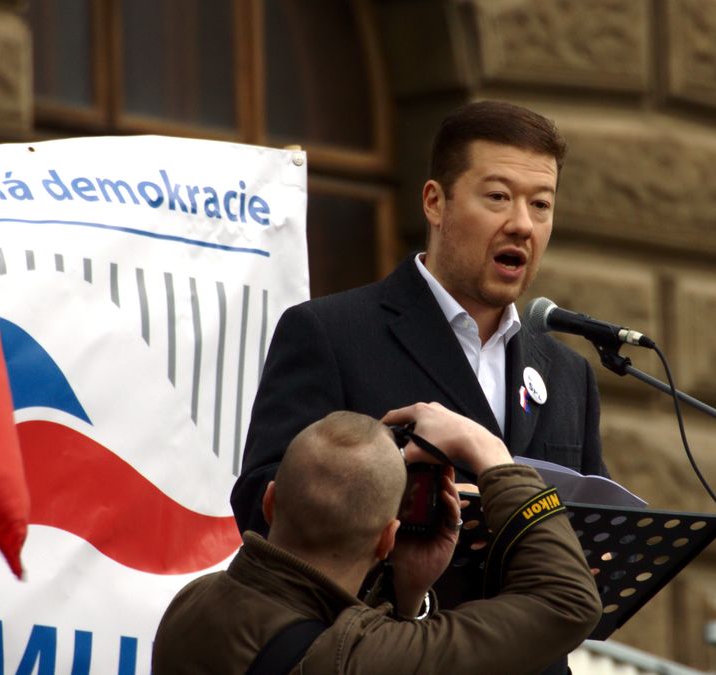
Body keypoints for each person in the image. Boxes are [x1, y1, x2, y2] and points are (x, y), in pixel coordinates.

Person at [231, 100, 606, 537]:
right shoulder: (331, 334)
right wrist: (409, 500)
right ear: (435, 203)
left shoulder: (568, 375)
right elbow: (263, 505)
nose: (523, 224)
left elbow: (599, 530)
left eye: (540, 204)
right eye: (498, 197)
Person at [153, 404, 601, 674]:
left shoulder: (193, 604)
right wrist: (489, 453)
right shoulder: (353, 659)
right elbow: (568, 602)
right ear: (388, 538)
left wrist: (406, 597)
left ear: (270, 502)